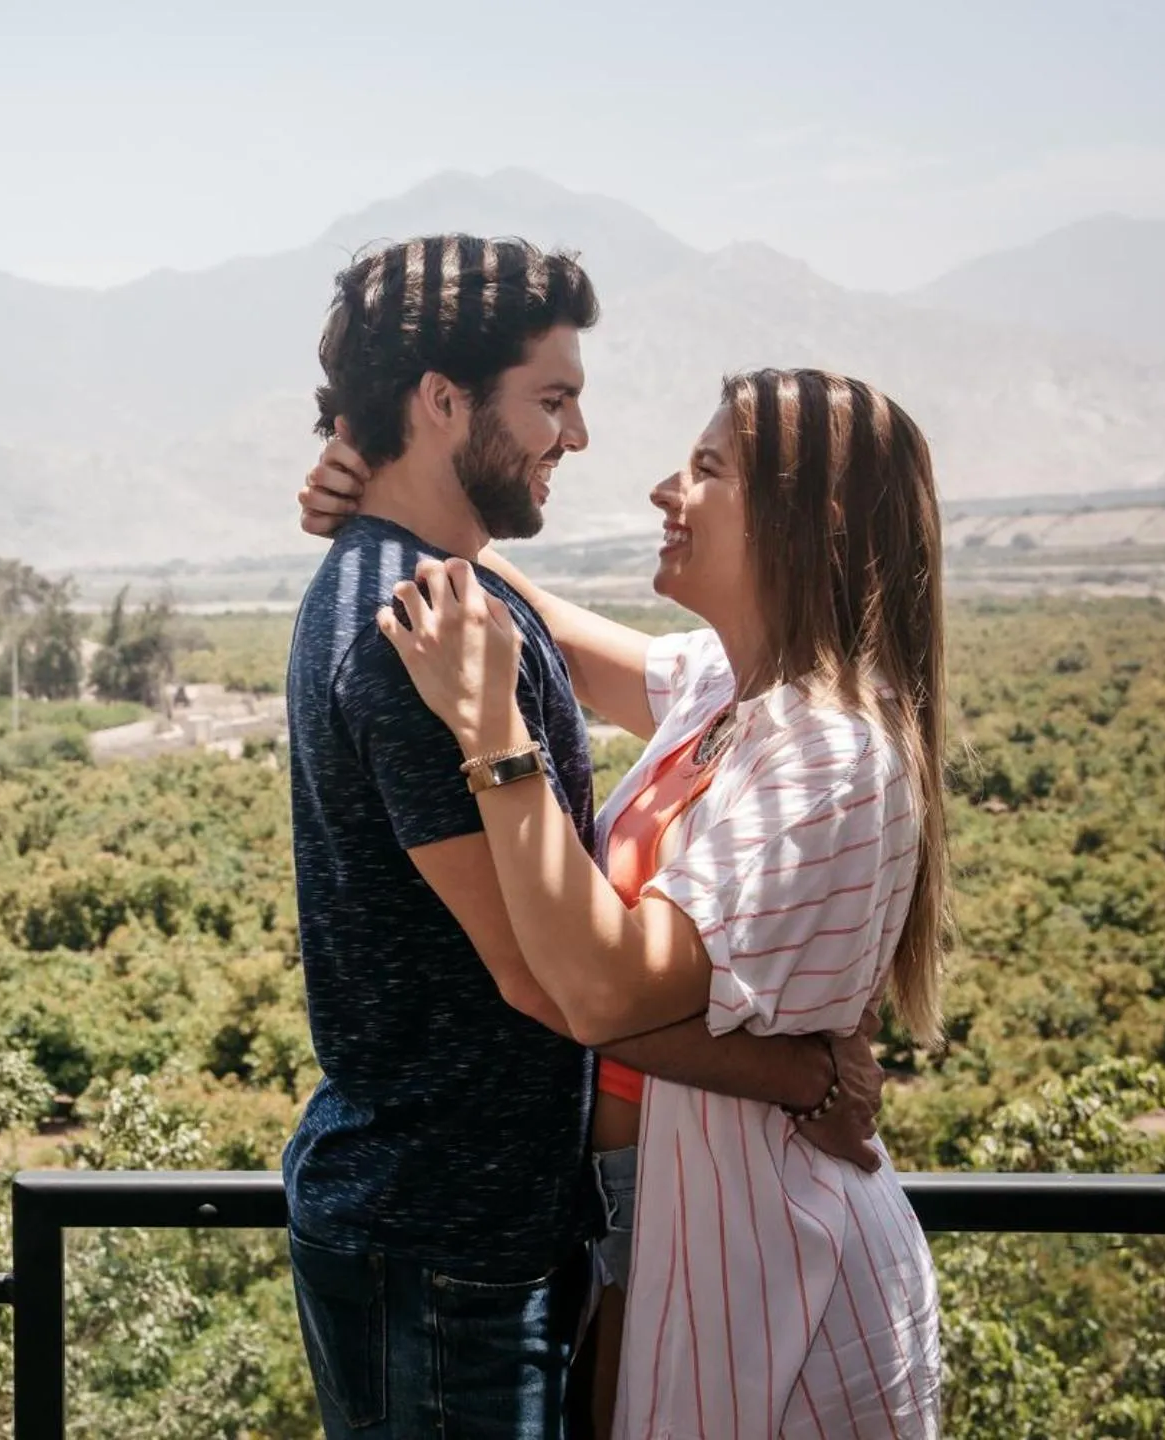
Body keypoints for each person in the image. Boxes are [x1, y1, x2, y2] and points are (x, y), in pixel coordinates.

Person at [282, 234, 886, 1440]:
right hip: (449, 1239)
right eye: (553, 400)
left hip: (481, 1222)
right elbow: (546, 975)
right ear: (443, 401)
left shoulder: (450, 595)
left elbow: (587, 653)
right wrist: (791, 1070)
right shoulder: (415, 632)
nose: (582, 437)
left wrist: (389, 494)